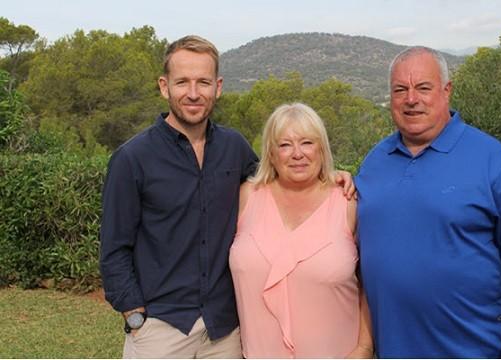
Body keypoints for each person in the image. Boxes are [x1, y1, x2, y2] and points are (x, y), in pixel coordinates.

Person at [100, 35, 355, 359]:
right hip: (161, 327)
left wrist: (329, 178)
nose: (194, 93)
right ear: (164, 87)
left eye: (203, 82)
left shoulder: (233, 149)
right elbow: (114, 248)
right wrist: (135, 316)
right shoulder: (132, 159)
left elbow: (278, 174)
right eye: (183, 82)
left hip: (225, 332)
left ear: (217, 87)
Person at [355, 46, 501, 358]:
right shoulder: (375, 161)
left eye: (423, 88)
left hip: (475, 350)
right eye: (400, 89)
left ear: (446, 91)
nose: (411, 99)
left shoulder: (492, 159)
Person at [229, 103, 373, 358]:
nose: (297, 154)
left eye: (307, 142)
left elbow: (372, 283)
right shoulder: (246, 197)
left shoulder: (349, 202)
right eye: (284, 145)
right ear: (271, 153)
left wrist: (364, 347)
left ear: (322, 148)